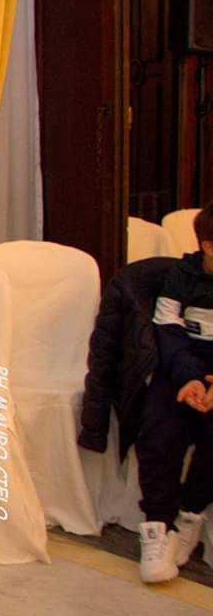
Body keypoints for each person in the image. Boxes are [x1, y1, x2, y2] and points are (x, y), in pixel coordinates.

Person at [136, 201, 213, 582]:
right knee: (158, 430)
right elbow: (168, 332)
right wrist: (190, 380)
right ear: (208, 246)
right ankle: (157, 527)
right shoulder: (181, 277)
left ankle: (189, 515)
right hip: (181, 372)